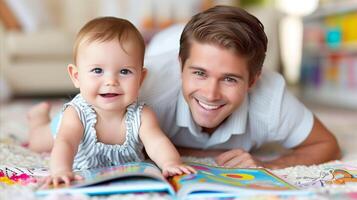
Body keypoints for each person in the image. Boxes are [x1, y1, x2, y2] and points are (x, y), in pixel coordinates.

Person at [139, 5, 341, 169]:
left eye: (229, 79)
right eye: (200, 73)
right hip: (164, 42)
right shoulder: (146, 88)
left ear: (253, 81)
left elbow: (327, 145)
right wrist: (208, 154)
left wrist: (270, 164)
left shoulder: (271, 97)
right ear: (181, 67)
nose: (211, 94)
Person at [27, 16, 195, 186]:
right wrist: (61, 170)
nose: (111, 81)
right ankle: (38, 119)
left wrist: (170, 163)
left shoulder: (142, 115)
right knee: (38, 142)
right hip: (62, 128)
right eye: (97, 70)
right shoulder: (75, 114)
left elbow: (157, 142)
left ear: (141, 78)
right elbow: (66, 143)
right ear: (76, 76)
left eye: (124, 72)